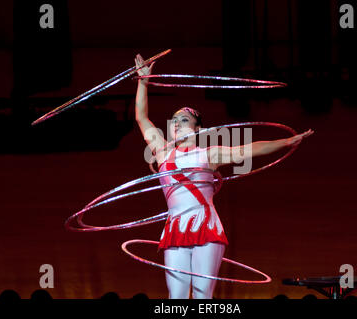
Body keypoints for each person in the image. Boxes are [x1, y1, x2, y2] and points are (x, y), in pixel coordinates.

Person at [134, 54, 314, 299]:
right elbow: (142, 118)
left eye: (183, 120)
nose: (176, 124)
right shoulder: (162, 151)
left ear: (198, 129)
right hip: (175, 228)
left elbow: (250, 149)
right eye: (173, 120)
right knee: (175, 297)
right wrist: (143, 82)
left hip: (206, 227)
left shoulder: (209, 154)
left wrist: (286, 141)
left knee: (201, 296)